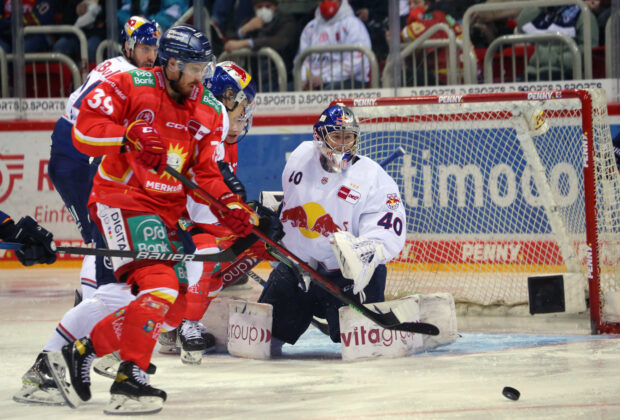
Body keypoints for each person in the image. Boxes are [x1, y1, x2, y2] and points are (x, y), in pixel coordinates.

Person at [44, 24, 256, 415]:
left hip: (164, 211)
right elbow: (85, 132)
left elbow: (206, 175)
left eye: (202, 68)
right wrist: (127, 135)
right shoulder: (132, 83)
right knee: (159, 286)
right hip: (120, 198)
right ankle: (130, 379)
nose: (199, 78)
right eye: (192, 69)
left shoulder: (208, 109)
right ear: (171, 64)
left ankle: (84, 352)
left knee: (170, 301)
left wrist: (235, 212)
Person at [12, 16, 161, 407]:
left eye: (153, 48)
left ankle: (87, 340)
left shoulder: (138, 75)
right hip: (79, 163)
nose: (149, 55)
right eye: (143, 47)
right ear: (128, 46)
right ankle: (56, 360)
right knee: (112, 265)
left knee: (114, 264)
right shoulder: (118, 72)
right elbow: (81, 120)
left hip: (91, 164)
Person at [258, 104, 406, 354]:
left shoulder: (373, 177)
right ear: (319, 136)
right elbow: (291, 203)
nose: (342, 144)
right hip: (297, 271)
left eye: (348, 137)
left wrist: (362, 252)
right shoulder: (301, 157)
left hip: (345, 279)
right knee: (261, 344)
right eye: (336, 136)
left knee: (363, 350)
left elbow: (388, 228)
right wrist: (276, 223)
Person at [157, 61, 266, 365]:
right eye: (241, 104)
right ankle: (185, 323)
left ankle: (179, 321)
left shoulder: (227, 139)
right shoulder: (198, 124)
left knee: (257, 243)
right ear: (223, 100)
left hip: (197, 219)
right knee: (205, 249)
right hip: (173, 218)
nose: (245, 113)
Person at [222, 0, 298, 91]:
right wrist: (244, 29)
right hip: (254, 80)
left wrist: (246, 43)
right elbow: (229, 43)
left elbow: (279, 41)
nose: (263, 10)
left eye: (268, 6)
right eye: (259, 7)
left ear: (275, 7)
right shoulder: (250, 22)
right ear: (254, 8)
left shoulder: (286, 20)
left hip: (281, 80)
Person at [296, 0, 372, 90]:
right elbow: (302, 60)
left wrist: (324, 78)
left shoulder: (353, 25)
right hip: (314, 82)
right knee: (289, 90)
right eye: (322, 1)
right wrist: (304, 79)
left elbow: (357, 61)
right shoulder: (310, 27)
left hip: (348, 80)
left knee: (328, 92)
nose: (326, 2)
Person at [517, 5, 599, 81]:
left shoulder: (584, 15)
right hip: (533, 70)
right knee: (513, 85)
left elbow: (588, 50)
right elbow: (521, 24)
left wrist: (557, 60)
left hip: (566, 73)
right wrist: (538, 4)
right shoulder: (544, 13)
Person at [117, 0, 190, 31]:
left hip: (166, 40)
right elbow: (123, 12)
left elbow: (172, 16)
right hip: (132, 35)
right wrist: (132, 21)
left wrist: (144, 23)